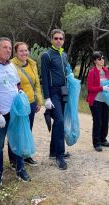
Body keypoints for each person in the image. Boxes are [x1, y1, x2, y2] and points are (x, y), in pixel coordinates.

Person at [0, 37, 30, 186]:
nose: (8, 50)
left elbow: (16, 84)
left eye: (10, 48)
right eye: (5, 47)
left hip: (15, 112)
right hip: (1, 115)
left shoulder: (11, 66)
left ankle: (20, 169)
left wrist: (21, 91)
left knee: (17, 140)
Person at [8, 42, 43, 167]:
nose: (24, 53)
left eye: (26, 50)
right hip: (18, 104)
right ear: (16, 53)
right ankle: (14, 159)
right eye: (21, 51)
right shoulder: (11, 65)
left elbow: (37, 84)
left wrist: (39, 100)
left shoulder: (32, 64)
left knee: (27, 130)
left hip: (31, 103)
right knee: (17, 131)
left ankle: (26, 155)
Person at [40, 29, 70, 170]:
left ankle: (53, 151)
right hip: (53, 93)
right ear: (51, 39)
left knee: (59, 123)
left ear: (63, 40)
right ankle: (59, 156)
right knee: (59, 121)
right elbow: (44, 78)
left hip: (63, 91)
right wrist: (47, 97)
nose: (58, 40)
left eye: (61, 38)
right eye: (56, 38)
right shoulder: (46, 55)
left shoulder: (63, 54)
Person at [86, 51, 109, 152]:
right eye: (99, 58)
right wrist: (102, 88)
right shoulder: (92, 72)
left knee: (105, 121)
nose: (102, 60)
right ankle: (96, 143)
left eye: (102, 57)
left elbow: (108, 82)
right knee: (98, 122)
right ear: (95, 61)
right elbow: (90, 88)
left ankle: (103, 139)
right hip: (95, 100)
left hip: (105, 100)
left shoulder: (106, 70)